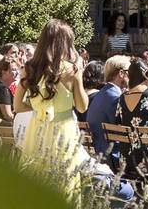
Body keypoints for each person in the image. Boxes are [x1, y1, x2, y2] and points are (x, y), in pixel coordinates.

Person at [13, 19, 90, 194]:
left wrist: (40, 108)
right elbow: (82, 107)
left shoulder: (29, 68)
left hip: (36, 128)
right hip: (64, 130)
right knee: (64, 182)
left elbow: (17, 106)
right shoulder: (72, 70)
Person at [87, 55, 131, 164]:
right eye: (129, 72)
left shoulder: (102, 93)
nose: (131, 76)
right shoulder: (115, 97)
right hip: (112, 156)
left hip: (99, 152)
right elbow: (126, 127)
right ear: (121, 73)